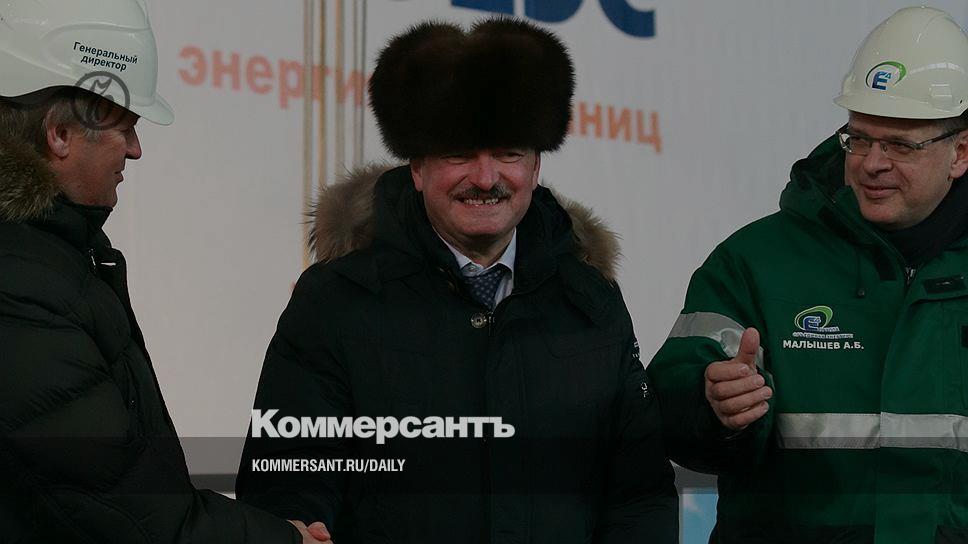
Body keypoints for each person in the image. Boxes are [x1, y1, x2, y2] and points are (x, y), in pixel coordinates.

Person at [236, 17, 677, 544]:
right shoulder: (334, 301)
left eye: (508, 153)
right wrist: (297, 528)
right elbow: (287, 474)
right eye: (458, 153)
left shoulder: (592, 301)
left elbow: (640, 494)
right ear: (418, 169)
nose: (486, 178)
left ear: (536, 167)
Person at [0, 1, 330, 542]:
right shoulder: (22, 282)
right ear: (59, 135)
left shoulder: (56, 260)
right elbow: (129, 511)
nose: (135, 150)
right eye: (125, 127)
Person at [647, 6, 968, 543]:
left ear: (960, 152)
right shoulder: (755, 262)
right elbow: (668, 407)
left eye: (899, 144)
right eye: (859, 138)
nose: (871, 163)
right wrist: (711, 407)